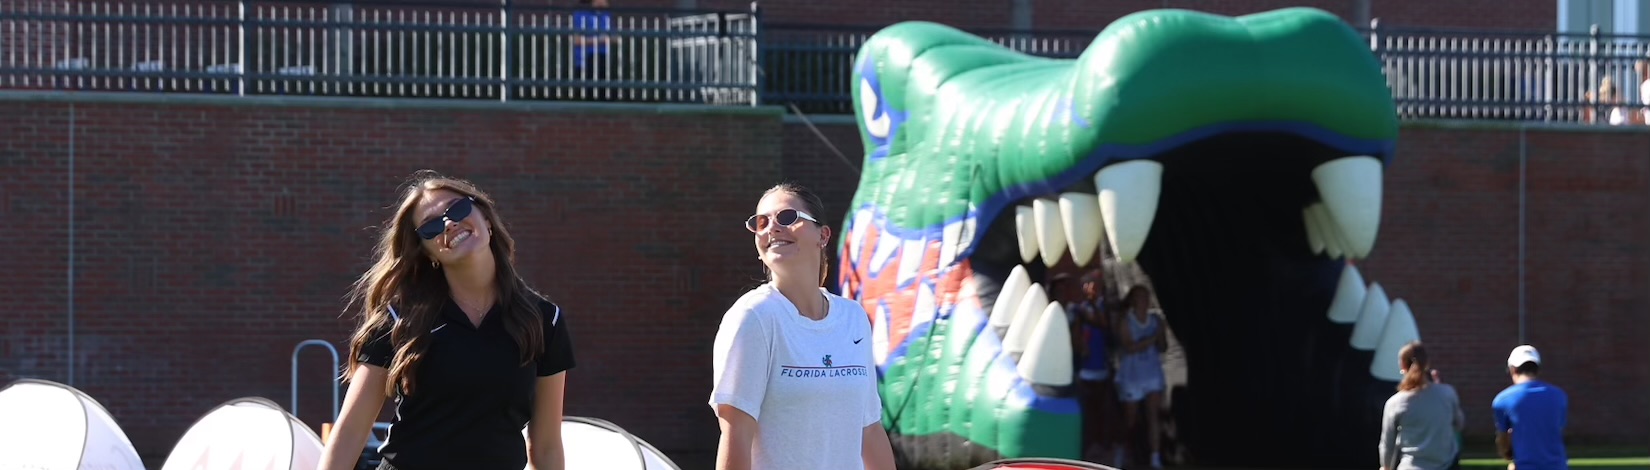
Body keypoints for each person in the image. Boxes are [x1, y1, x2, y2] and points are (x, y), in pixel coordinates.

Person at [317, 171, 576, 470]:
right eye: (430, 226)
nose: (449, 223)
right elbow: (350, 433)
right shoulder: (399, 319)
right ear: (427, 253)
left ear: (487, 220)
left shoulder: (545, 320)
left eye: (459, 209)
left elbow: (545, 446)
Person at [709, 182, 896, 470]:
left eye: (786, 218)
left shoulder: (853, 318)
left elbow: (869, 430)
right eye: (761, 222)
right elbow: (736, 439)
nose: (772, 228)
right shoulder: (752, 318)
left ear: (823, 235)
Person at [1379, 341, 1464, 470]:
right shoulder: (1447, 393)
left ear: (1402, 365)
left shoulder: (1395, 403)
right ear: (1427, 363)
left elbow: (1387, 445)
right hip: (1446, 465)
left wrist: (1386, 467)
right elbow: (1459, 424)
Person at [1112, 283, 1167, 469]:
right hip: (1132, 376)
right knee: (1130, 420)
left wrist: (1159, 338)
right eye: (1141, 297)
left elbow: (1163, 347)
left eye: (1147, 297)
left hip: (1152, 374)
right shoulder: (1125, 322)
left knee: (1154, 416)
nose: (1145, 301)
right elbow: (1129, 347)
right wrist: (1152, 338)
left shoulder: (1156, 320)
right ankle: (1120, 449)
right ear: (1134, 301)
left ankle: (1155, 458)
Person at [1492, 345, 1569, 470]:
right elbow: (1557, 430)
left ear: (1513, 369)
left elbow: (1503, 440)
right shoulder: (1559, 396)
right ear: (1537, 369)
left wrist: (1509, 454)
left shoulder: (1503, 400)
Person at [1070, 270, 1119, 464]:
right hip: (1085, 372)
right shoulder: (1078, 311)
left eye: (1094, 284)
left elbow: (1104, 325)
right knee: (1088, 413)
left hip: (1104, 371)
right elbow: (1075, 338)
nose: (1092, 288)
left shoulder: (1103, 307)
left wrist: (1092, 305)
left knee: (1104, 413)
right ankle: (1089, 450)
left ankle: (1105, 449)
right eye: (1088, 284)